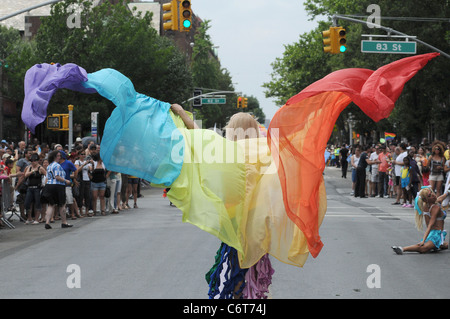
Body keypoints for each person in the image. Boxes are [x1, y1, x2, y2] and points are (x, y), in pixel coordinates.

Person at [392, 188, 448, 254]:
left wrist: (448, 192)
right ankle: (402, 249)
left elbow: (442, 197)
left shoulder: (429, 204)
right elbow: (429, 225)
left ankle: (440, 244)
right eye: (429, 195)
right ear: (425, 200)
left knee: (445, 245)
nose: (433, 195)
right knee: (423, 248)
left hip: (436, 233)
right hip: (436, 234)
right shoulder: (435, 208)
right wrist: (423, 240)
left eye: (432, 193)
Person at [41, 150, 73, 229]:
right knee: (62, 204)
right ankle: (64, 222)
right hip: (58, 186)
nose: (59, 157)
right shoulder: (57, 166)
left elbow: (48, 177)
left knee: (51, 204)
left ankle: (47, 222)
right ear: (54, 157)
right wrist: (66, 181)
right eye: (58, 156)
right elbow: (57, 176)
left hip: (49, 185)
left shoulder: (49, 166)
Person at [23, 153, 46, 224]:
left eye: (35, 160)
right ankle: (29, 218)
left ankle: (37, 218)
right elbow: (25, 175)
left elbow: (47, 175)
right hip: (30, 187)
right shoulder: (29, 167)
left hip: (37, 188)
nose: (33, 162)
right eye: (32, 160)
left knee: (37, 203)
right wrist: (32, 171)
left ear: (38, 161)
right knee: (27, 203)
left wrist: (45, 184)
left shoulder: (40, 168)